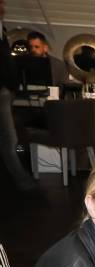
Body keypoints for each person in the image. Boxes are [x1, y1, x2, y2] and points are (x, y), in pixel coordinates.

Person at [0, 1, 36, 191]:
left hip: (6, 90)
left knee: (10, 139)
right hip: (3, 90)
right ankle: (24, 182)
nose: (3, 7)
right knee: (9, 140)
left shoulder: (3, 31)